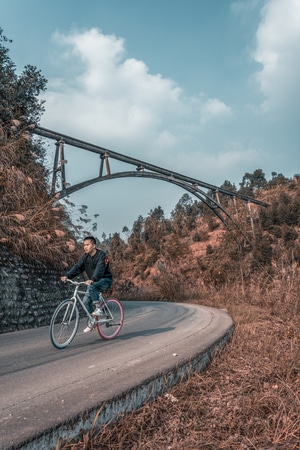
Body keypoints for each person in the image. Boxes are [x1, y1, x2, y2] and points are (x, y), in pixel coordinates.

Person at [61, 236, 112, 333]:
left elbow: (100, 268)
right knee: (85, 301)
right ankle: (93, 321)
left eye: (87, 245)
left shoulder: (102, 255)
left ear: (94, 245)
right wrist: (67, 276)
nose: (85, 247)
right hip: (94, 281)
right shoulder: (85, 257)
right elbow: (78, 267)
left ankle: (98, 308)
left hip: (105, 280)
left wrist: (93, 279)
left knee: (92, 286)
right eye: (84, 245)